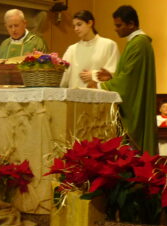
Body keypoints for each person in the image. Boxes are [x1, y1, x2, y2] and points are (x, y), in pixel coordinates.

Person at [97, 5, 157, 155]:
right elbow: (130, 76)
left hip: (135, 108)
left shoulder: (139, 44)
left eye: (119, 25)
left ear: (131, 24)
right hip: (134, 98)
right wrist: (112, 77)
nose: (116, 29)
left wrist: (100, 85)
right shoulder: (135, 43)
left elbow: (128, 82)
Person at [60, 10, 119, 89]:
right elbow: (64, 76)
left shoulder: (109, 45)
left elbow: (115, 73)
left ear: (90, 23)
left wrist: (94, 75)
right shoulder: (72, 49)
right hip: (74, 96)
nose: (76, 29)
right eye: (74, 26)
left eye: (79, 24)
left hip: (100, 96)